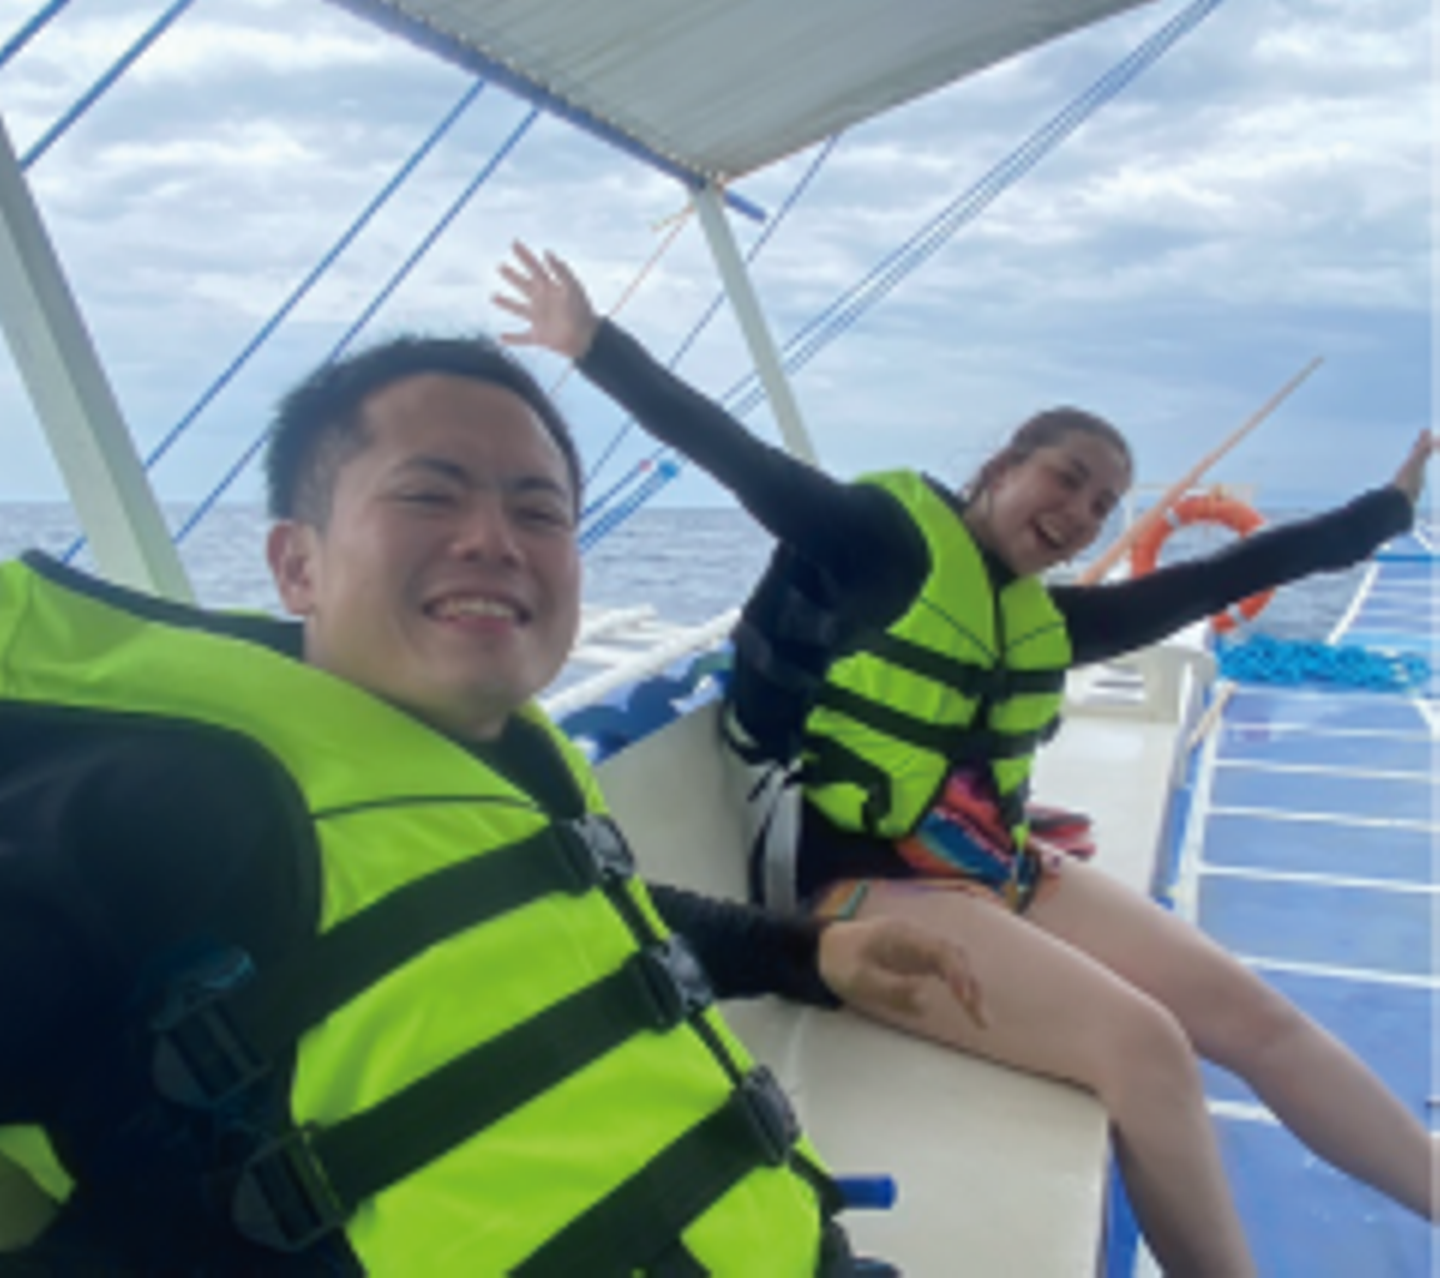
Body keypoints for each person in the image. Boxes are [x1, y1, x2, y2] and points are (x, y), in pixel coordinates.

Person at [495, 242, 1439, 1278]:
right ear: (1002, 466)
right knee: (1147, 1050)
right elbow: (738, 457)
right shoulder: (875, 540)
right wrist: (592, 343)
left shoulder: (1048, 622)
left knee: (1259, 1017)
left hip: (991, 868)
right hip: (853, 893)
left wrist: (1388, 511)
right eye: (1067, 478)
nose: (1080, 513)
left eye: (1104, 504)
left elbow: (1231, 571)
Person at [0, 333, 989, 1274]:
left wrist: (804, 954)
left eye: (539, 512)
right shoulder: (180, 801)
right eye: (429, 495)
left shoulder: (512, 755)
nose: (493, 540)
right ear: (297, 565)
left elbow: (553, 921)